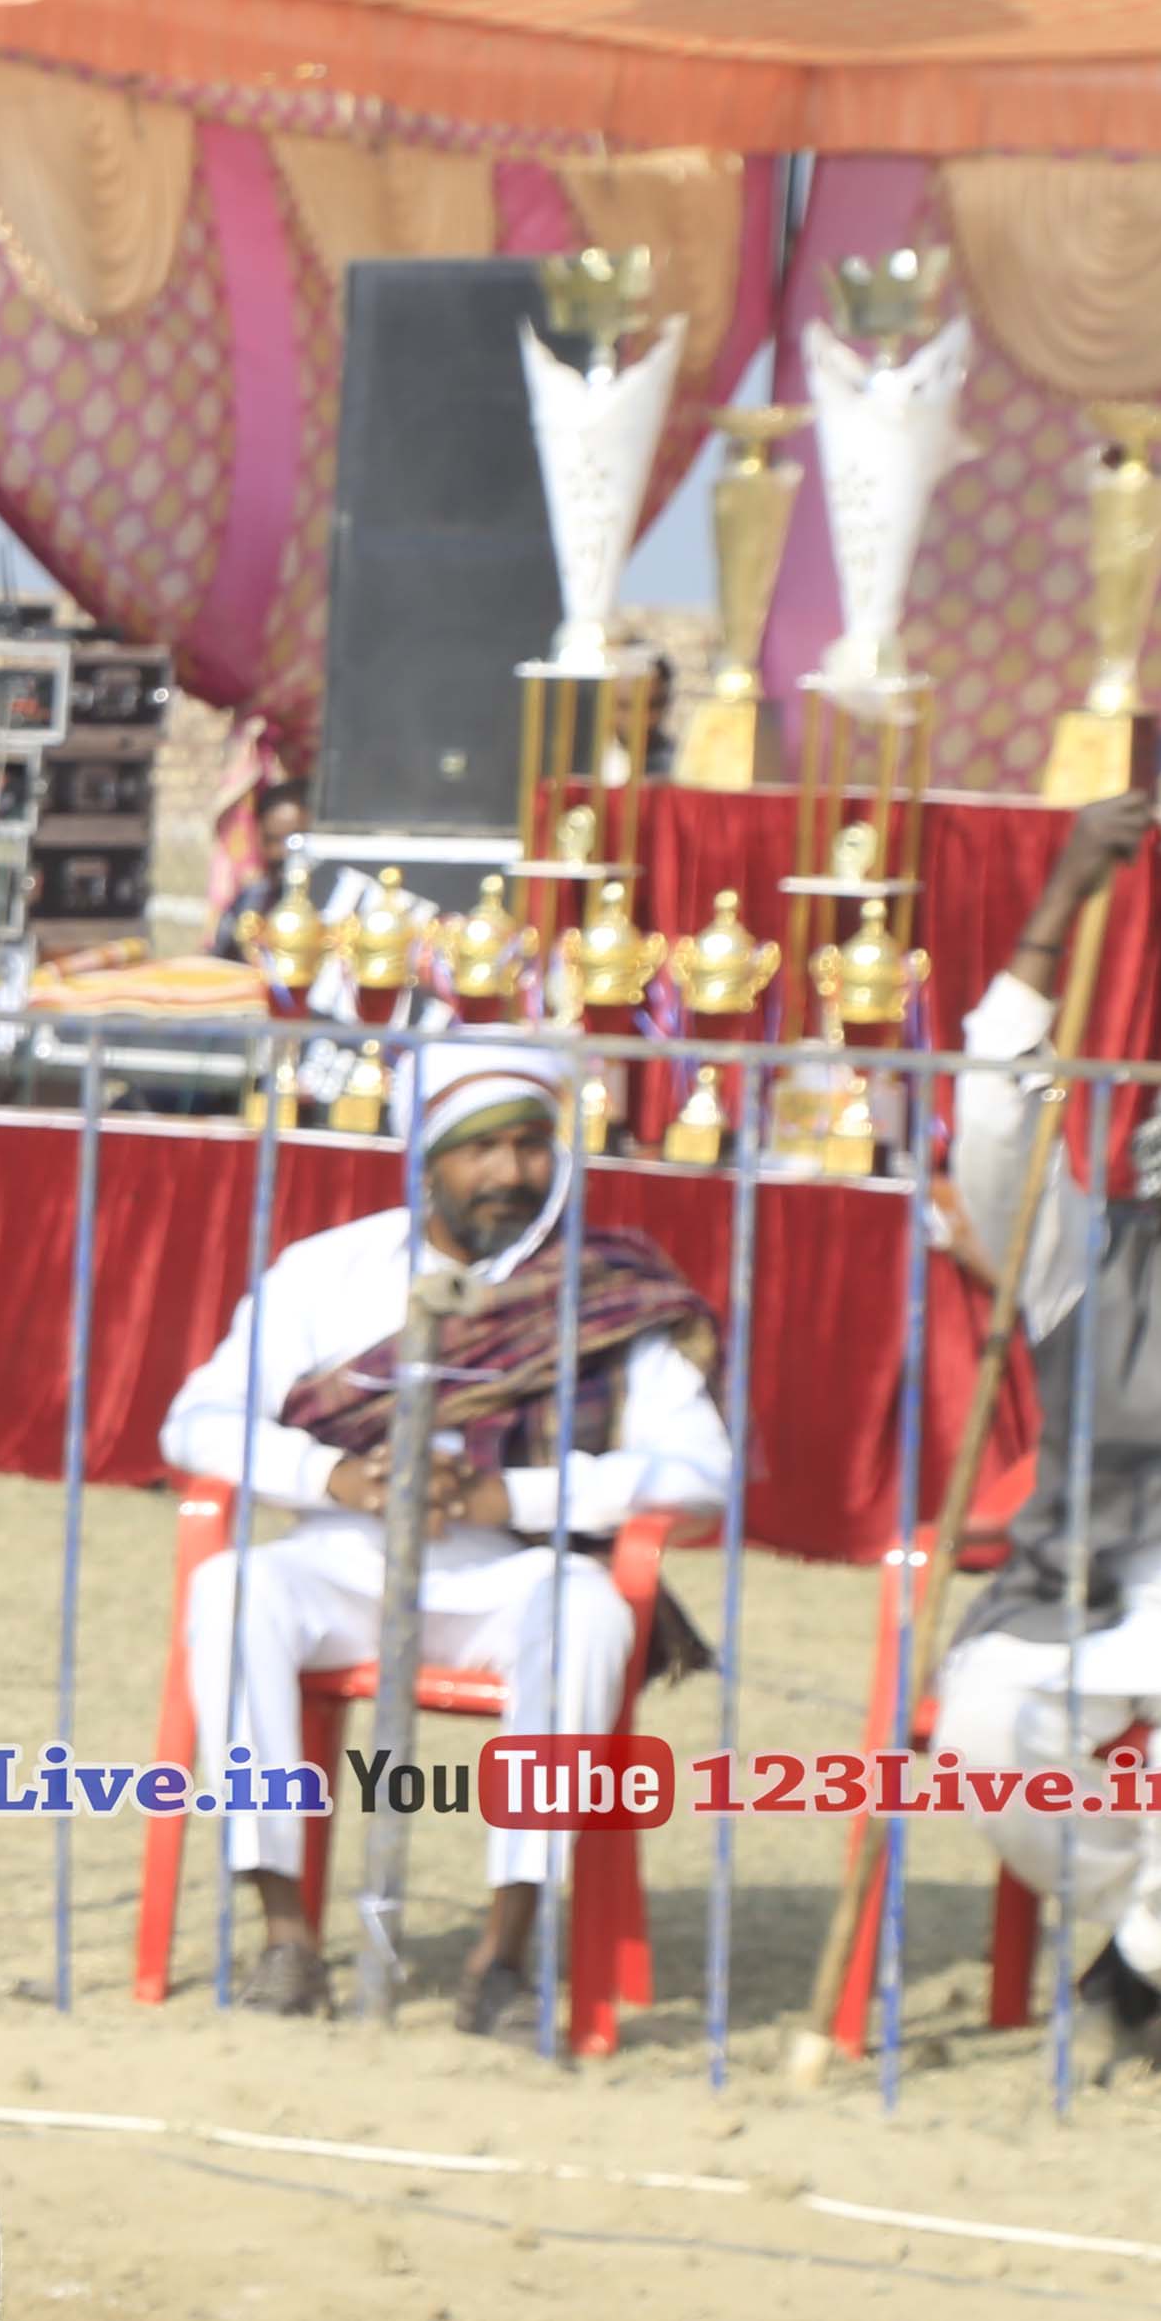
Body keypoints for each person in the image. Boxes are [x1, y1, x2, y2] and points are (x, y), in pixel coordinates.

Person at [156, 1037, 729, 2023]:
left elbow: (702, 1472)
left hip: (514, 1573)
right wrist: (335, 1476)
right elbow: (198, 1421)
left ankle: (503, 1951)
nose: (509, 1172)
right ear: (427, 1159)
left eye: (530, 1145)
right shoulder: (328, 1271)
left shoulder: (600, 1288)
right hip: (346, 1558)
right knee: (233, 1591)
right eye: (479, 1148)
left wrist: (513, 1498)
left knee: (589, 1618)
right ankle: (286, 1938)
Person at [934, 775, 1161, 2075]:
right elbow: (998, 1119)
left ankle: (1136, 1978)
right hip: (1080, 1599)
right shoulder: (1088, 1264)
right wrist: (1060, 906)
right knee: (984, 1737)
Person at [211, 772, 313, 958]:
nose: (282, 853)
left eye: (294, 841)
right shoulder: (251, 902)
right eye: (271, 840)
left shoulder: (337, 906)